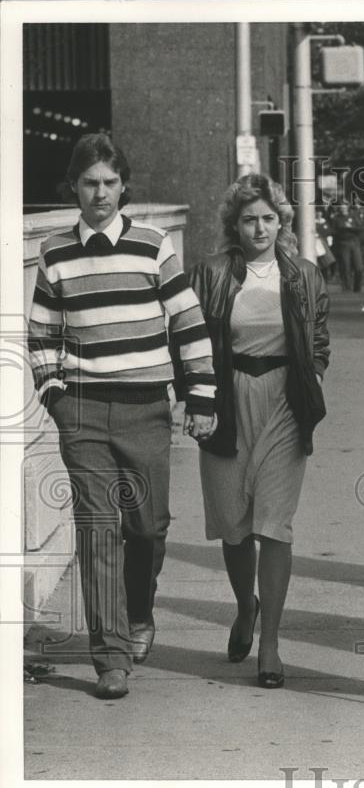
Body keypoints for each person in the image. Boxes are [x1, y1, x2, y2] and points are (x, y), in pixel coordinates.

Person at [27, 133, 216, 699]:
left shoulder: (155, 246)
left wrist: (201, 397)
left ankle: (138, 611)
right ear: (74, 188)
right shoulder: (55, 251)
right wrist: (56, 395)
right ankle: (110, 658)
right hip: (82, 413)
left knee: (146, 529)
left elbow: (188, 323)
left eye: (109, 182)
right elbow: (41, 336)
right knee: (97, 531)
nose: (100, 193)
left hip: (147, 411)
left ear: (124, 185)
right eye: (89, 183)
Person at [187, 173, 329, 689]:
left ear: (282, 221)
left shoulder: (303, 276)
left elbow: (319, 339)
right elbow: (190, 338)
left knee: (274, 523)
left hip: (285, 402)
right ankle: (244, 606)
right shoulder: (212, 274)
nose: (260, 227)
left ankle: (269, 643)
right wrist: (197, 401)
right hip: (227, 400)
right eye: (250, 219)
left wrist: (312, 380)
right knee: (233, 524)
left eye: (269, 218)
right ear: (235, 225)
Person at [326, 196, 364, 292]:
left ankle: (357, 288)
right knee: (345, 267)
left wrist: (350, 228)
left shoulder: (353, 216)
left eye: (344, 206)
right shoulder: (336, 219)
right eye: (341, 206)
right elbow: (332, 231)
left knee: (359, 267)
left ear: (348, 207)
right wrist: (342, 230)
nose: (343, 208)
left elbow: (361, 228)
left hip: (354, 242)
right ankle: (347, 287)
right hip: (343, 244)